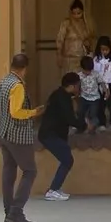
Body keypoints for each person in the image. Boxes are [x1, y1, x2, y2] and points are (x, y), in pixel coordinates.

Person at [0, 53, 44, 222]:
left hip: (4, 133)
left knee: (9, 171)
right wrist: (34, 112)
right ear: (25, 69)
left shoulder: (3, 82)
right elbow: (16, 112)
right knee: (30, 171)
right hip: (18, 135)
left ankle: (9, 213)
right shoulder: (17, 86)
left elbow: (0, 109)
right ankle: (16, 211)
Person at [37, 71, 88, 202]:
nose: (79, 88)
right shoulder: (62, 97)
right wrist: (85, 126)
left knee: (66, 159)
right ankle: (53, 190)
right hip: (49, 134)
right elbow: (69, 118)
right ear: (72, 85)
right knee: (67, 160)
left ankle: (55, 189)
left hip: (52, 134)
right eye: (78, 85)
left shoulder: (60, 95)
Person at [56, 0, 94, 84]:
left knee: (81, 83)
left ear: (82, 12)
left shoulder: (87, 24)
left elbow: (91, 39)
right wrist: (59, 54)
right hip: (69, 59)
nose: (76, 16)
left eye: (79, 13)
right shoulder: (66, 23)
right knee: (69, 83)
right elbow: (60, 39)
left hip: (82, 59)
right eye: (74, 13)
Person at [92, 37, 111, 131]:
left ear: (110, 49)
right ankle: (102, 123)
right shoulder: (96, 60)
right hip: (100, 84)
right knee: (101, 104)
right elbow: (94, 73)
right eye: (102, 49)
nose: (104, 51)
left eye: (106, 49)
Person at [74, 54, 100, 129]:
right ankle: (81, 126)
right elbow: (77, 86)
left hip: (95, 98)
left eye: (89, 70)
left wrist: (106, 91)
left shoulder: (96, 74)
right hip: (83, 97)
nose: (88, 72)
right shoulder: (79, 76)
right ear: (82, 68)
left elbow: (102, 82)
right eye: (86, 70)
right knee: (80, 112)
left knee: (93, 114)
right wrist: (77, 94)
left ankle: (93, 126)